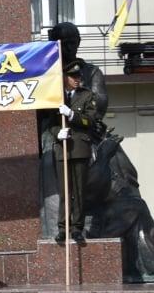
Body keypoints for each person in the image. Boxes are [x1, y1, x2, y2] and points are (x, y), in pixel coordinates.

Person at [38, 22, 108, 244]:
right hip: (54, 133)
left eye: (73, 43)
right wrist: (57, 131)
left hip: (85, 134)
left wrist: (78, 117)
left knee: (112, 163)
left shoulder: (91, 72)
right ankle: (57, 227)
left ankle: (79, 226)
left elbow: (99, 103)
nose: (70, 47)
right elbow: (42, 111)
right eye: (64, 44)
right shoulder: (46, 72)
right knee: (52, 171)